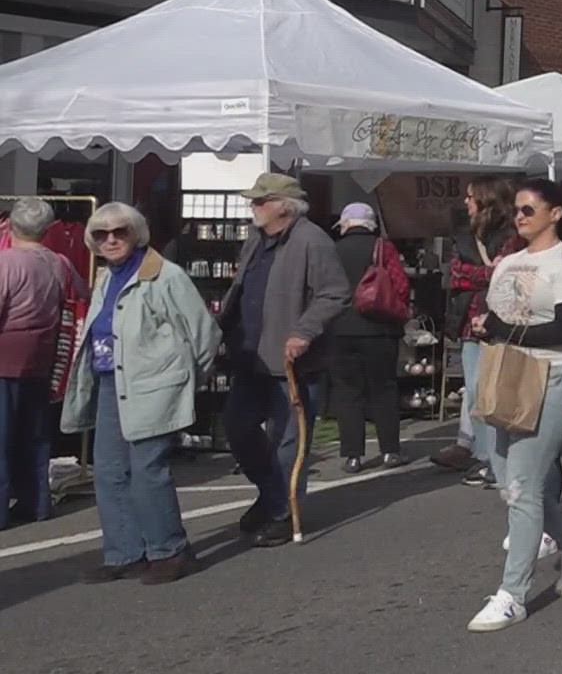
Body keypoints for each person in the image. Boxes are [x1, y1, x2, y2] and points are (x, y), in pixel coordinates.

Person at [465, 179, 562, 632]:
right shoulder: (510, 261)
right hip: (506, 375)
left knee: (522, 488)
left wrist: (501, 328)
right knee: (511, 482)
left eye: (528, 210)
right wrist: (488, 326)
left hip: (554, 376)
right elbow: (495, 312)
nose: (519, 217)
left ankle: (512, 595)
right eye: (517, 210)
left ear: (555, 214)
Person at [60, 203, 217, 584]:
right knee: (110, 471)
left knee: (148, 470)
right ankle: (125, 552)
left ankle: (170, 550)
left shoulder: (165, 276)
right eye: (101, 234)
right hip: (111, 381)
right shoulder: (104, 277)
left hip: (153, 385)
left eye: (120, 232)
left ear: (137, 234)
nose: (111, 240)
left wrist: (182, 379)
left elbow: (204, 333)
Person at [219, 173, 350, 549]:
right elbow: (240, 290)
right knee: (238, 428)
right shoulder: (256, 240)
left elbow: (335, 293)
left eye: (261, 201)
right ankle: (271, 495)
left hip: (293, 360)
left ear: (284, 205)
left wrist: (304, 331)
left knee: (289, 442)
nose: (254, 207)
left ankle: (281, 511)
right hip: (251, 354)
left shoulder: (313, 241)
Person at [0, 197, 86, 528]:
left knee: (3, 436)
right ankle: (36, 501)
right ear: (48, 228)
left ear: (10, 225)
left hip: (5, 356)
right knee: (34, 435)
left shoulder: (6, 262)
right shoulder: (59, 263)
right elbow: (81, 293)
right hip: (43, 357)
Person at [433, 177, 521, 487]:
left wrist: (484, 273)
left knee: (492, 393)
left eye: (471, 197)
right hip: (469, 321)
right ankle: (486, 458)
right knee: (475, 394)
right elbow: (454, 273)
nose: (466, 202)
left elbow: (509, 272)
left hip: (496, 321)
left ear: (486, 200)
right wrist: (487, 272)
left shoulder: (511, 234)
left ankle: (497, 461)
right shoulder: (466, 235)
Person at [330, 203, 406, 474]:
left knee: (348, 392)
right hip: (381, 328)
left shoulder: (333, 250)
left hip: (340, 329)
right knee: (384, 389)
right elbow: (400, 285)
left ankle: (353, 455)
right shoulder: (384, 248)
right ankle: (390, 451)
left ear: (346, 224)